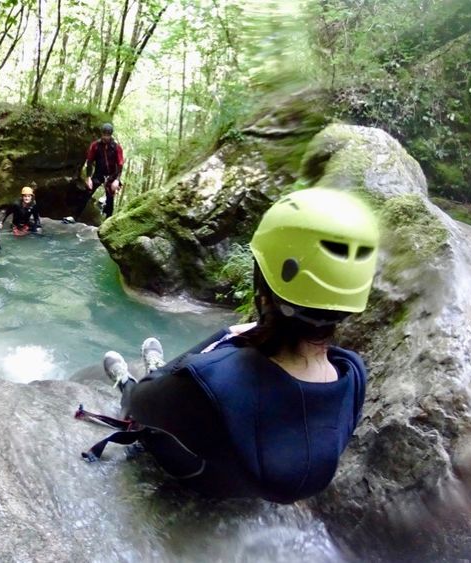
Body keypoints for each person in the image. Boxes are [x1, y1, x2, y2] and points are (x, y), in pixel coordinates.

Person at [80, 188, 380, 504]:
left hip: (197, 476)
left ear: (262, 285)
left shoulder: (213, 379)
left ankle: (134, 375)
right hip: (246, 490)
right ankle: (154, 369)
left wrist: (224, 336)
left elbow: (142, 406)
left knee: (139, 395)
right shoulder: (353, 373)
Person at [80, 122, 124, 219]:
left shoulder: (116, 147)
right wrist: (88, 177)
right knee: (87, 192)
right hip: (98, 174)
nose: (106, 137)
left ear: (111, 135)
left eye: (108, 135)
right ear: (101, 134)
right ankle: (75, 216)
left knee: (110, 199)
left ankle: (107, 222)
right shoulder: (95, 145)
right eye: (104, 134)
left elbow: (120, 164)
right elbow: (90, 162)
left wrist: (117, 180)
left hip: (112, 176)